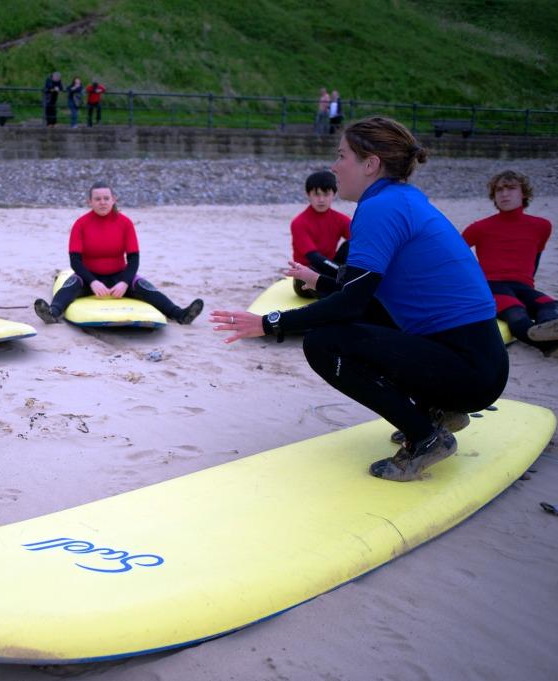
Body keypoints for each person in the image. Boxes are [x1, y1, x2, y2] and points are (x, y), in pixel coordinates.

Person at [211, 117, 508, 483]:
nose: (335, 167)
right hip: (479, 361)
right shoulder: (403, 198)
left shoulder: (380, 208)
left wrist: (269, 324)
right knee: (363, 317)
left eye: (342, 156)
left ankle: (427, 437)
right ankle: (437, 411)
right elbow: (364, 292)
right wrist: (316, 279)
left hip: (469, 372)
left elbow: (351, 303)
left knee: (324, 343)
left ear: (371, 164)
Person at [34, 182, 203, 325]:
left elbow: (134, 259)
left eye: (106, 198)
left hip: (119, 277)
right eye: (97, 199)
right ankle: (52, 313)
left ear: (113, 200)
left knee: (146, 287)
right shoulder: (81, 224)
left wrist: (124, 282)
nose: (102, 202)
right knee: (70, 286)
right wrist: (92, 282)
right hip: (87, 277)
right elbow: (75, 261)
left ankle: (181, 315)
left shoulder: (125, 223)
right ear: (90, 202)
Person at [462, 170, 558, 357]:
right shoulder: (479, 228)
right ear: (494, 196)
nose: (504, 194)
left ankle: (551, 331)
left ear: (523, 193)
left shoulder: (542, 226)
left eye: (511, 188)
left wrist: (527, 284)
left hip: (523, 287)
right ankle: (549, 345)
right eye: (499, 190)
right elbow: (455, 255)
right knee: (516, 313)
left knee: (551, 305)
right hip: (493, 287)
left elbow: (535, 260)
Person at [288, 170, 350, 298]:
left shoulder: (341, 219)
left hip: (330, 272)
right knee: (311, 270)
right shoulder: (299, 223)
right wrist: (341, 271)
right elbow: (314, 258)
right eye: (316, 194)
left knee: (351, 244)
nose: (321, 200)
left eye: (326, 194)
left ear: (334, 194)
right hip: (304, 277)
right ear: (308, 194)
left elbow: (364, 242)